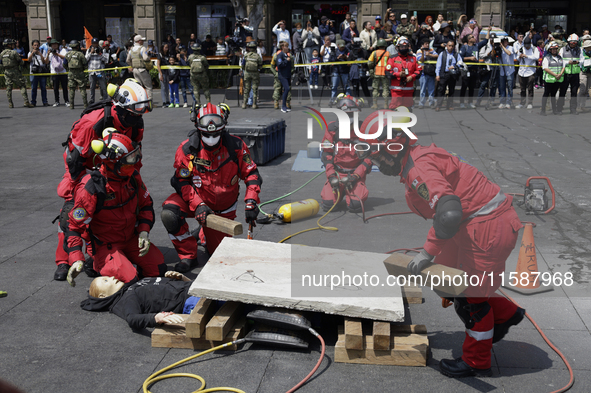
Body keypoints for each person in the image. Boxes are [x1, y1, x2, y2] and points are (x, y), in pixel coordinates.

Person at [367, 122, 525, 380]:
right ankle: (507, 313)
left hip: (486, 227)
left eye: (379, 156)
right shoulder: (415, 157)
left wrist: (427, 252)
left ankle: (476, 361)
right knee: (448, 281)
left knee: (471, 300)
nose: (378, 164)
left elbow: (449, 214)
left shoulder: (419, 169)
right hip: (473, 223)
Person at [54, 79, 151, 281]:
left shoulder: (134, 123)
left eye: (140, 113)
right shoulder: (92, 123)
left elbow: (135, 154)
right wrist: (85, 187)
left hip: (115, 168)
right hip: (85, 167)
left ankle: (99, 254)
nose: (138, 117)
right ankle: (64, 261)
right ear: (122, 108)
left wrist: (132, 178)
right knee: (71, 211)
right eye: (135, 112)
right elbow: (75, 161)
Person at [160, 103, 262, 272]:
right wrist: (199, 204)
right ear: (197, 126)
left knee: (219, 256)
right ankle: (188, 255)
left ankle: (204, 234)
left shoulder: (236, 146)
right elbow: (182, 182)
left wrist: (251, 201)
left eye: (216, 131)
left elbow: (252, 175)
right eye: (207, 131)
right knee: (170, 213)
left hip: (222, 212)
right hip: (197, 203)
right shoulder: (188, 150)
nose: (211, 134)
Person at [64, 132, 166, 286]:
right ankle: (97, 262)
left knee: (158, 269)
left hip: (131, 238)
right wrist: (76, 258)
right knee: (130, 281)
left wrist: (144, 231)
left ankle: (119, 262)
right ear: (113, 161)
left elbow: (146, 204)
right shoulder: (92, 187)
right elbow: (73, 227)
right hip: (105, 245)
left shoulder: (132, 177)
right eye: (129, 159)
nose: (134, 162)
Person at [81, 271, 197, 331]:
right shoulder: (125, 300)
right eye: (106, 281)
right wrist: (156, 318)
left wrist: (181, 278)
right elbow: (132, 318)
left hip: (194, 287)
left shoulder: (132, 286)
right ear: (102, 295)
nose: (111, 278)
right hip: (190, 300)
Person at [320, 94, 371, 212]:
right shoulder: (332, 128)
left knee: (355, 205)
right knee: (328, 204)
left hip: (355, 175)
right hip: (337, 174)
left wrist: (355, 176)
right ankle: (340, 191)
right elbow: (326, 154)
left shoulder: (365, 130)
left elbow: (369, 159)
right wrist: (331, 174)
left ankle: (350, 191)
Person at [385, 37, 421, 110]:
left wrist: (412, 76)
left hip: (409, 91)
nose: (403, 48)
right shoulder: (392, 58)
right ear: (398, 47)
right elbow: (387, 72)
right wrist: (398, 74)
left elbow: (419, 70)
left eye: (405, 46)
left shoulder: (413, 58)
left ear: (408, 47)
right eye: (401, 47)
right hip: (396, 91)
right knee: (394, 110)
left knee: (408, 111)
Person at [1, 38, 34, 108]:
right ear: (9, 45)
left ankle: (10, 103)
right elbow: (21, 62)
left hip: (7, 72)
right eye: (13, 44)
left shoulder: (2, 53)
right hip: (15, 72)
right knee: (22, 85)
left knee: (9, 88)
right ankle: (26, 101)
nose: (14, 45)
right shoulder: (14, 52)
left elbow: (1, 64)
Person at [459, 33, 488, 108]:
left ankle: (470, 102)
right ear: (469, 40)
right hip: (466, 70)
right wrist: (470, 58)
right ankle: (462, 103)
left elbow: (485, 41)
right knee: (464, 87)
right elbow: (460, 58)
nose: (474, 38)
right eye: (472, 37)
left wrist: (488, 31)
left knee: (472, 87)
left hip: (474, 70)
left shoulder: (476, 46)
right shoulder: (464, 47)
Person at [558, 34, 583, 115]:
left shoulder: (579, 50)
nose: (573, 44)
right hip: (565, 74)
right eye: (572, 42)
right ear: (568, 42)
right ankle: (559, 109)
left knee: (574, 92)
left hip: (575, 74)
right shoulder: (562, 49)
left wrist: (578, 62)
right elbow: (559, 60)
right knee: (562, 92)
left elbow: (583, 60)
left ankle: (573, 109)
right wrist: (567, 62)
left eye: (575, 42)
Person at [435, 40, 463, 111]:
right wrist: (437, 74)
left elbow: (460, 63)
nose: (450, 47)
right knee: (441, 90)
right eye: (449, 46)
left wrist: (455, 66)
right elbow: (438, 65)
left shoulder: (456, 54)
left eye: (452, 46)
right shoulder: (442, 54)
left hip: (452, 74)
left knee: (451, 90)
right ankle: (438, 105)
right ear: (446, 46)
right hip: (444, 73)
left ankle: (450, 105)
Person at [540, 41, 565, 116]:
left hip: (557, 80)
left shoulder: (560, 58)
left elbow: (563, 66)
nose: (554, 50)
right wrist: (555, 75)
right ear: (550, 50)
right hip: (549, 79)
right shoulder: (547, 58)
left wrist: (560, 74)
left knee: (553, 95)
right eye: (553, 49)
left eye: (556, 49)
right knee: (546, 94)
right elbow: (545, 68)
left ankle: (555, 110)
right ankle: (543, 110)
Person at [127, 35, 154, 103]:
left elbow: (127, 60)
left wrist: (132, 65)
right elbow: (145, 58)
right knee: (148, 86)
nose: (143, 41)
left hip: (135, 70)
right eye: (142, 40)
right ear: (139, 41)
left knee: (139, 87)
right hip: (142, 70)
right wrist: (148, 57)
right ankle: (149, 102)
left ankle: (140, 101)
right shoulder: (142, 48)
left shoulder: (131, 49)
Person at [515, 37, 539, 109]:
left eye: (528, 46)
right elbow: (517, 58)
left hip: (530, 71)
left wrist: (527, 56)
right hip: (522, 71)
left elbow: (536, 57)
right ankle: (522, 103)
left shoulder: (534, 49)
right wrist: (520, 56)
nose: (527, 47)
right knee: (522, 89)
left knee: (530, 88)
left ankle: (530, 103)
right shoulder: (521, 49)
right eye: (526, 46)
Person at [64, 40, 88, 110]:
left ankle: (71, 105)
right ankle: (85, 104)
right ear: (77, 46)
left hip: (71, 73)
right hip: (80, 73)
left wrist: (69, 69)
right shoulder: (80, 54)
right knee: (82, 89)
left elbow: (64, 64)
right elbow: (85, 64)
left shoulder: (68, 54)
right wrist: (82, 69)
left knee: (71, 89)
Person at [86, 37, 109, 105]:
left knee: (103, 86)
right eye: (93, 43)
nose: (95, 45)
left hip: (99, 72)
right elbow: (85, 60)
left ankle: (105, 99)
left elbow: (106, 60)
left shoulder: (102, 50)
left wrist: (100, 54)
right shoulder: (88, 50)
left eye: (96, 43)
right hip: (92, 72)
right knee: (92, 87)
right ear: (92, 44)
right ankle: (92, 100)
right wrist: (90, 53)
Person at [47, 38, 69, 107]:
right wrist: (48, 54)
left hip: (63, 71)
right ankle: (57, 101)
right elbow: (46, 62)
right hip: (54, 72)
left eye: (55, 44)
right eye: (52, 45)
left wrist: (57, 54)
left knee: (64, 87)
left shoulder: (62, 50)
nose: (54, 46)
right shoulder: (50, 53)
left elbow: (65, 58)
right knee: (55, 88)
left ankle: (66, 101)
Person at [241, 41, 263, 109]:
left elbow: (243, 65)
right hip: (255, 74)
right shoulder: (257, 56)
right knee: (254, 89)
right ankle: (254, 104)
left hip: (247, 73)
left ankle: (244, 104)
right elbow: (260, 65)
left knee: (247, 88)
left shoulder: (246, 55)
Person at [417, 40, 438, 108]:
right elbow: (421, 60)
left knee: (431, 89)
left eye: (428, 43)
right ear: (422, 45)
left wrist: (429, 54)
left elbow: (437, 56)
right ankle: (421, 103)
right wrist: (423, 53)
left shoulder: (431, 50)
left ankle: (431, 103)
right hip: (423, 73)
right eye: (426, 43)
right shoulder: (419, 51)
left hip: (431, 72)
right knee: (422, 89)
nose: (428, 45)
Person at [28, 39, 49, 107]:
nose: (36, 46)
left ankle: (45, 101)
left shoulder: (43, 52)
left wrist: (40, 54)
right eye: (35, 45)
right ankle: (33, 102)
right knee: (34, 88)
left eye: (37, 45)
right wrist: (32, 53)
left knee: (43, 87)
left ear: (39, 46)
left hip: (41, 72)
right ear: (32, 46)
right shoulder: (30, 52)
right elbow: (29, 60)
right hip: (33, 72)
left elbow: (45, 62)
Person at [330, 40, 351, 104]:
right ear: (338, 45)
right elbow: (330, 60)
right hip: (336, 70)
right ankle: (332, 100)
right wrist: (337, 58)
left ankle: (348, 99)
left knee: (347, 86)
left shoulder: (348, 51)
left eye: (343, 46)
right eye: (341, 46)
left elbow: (351, 59)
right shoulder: (334, 51)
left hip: (345, 70)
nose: (342, 48)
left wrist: (345, 57)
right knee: (334, 86)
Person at [498, 37, 515, 109]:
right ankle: (502, 102)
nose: (504, 43)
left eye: (505, 41)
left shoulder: (510, 47)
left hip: (510, 70)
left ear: (507, 42)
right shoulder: (499, 49)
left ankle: (509, 102)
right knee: (502, 87)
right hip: (502, 71)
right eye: (502, 41)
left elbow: (509, 53)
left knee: (510, 87)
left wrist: (502, 47)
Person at [276, 43, 292, 113]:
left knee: (287, 90)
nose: (287, 48)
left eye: (288, 46)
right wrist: (286, 61)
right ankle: (283, 106)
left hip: (287, 75)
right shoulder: (280, 55)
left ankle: (285, 105)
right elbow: (279, 65)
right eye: (286, 46)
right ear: (282, 47)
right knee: (287, 88)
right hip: (282, 75)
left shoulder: (286, 55)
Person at [578, 40, 591, 111]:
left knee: (586, 90)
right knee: (582, 90)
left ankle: (583, 106)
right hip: (583, 72)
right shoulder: (581, 53)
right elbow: (579, 63)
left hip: (589, 73)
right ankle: (578, 106)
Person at [157, 43, 172, 108]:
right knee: (163, 87)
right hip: (162, 73)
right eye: (165, 47)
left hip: (167, 72)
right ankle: (164, 102)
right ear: (162, 48)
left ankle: (168, 101)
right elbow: (158, 65)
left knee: (167, 87)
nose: (166, 49)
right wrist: (161, 74)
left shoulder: (168, 55)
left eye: (167, 47)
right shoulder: (159, 55)